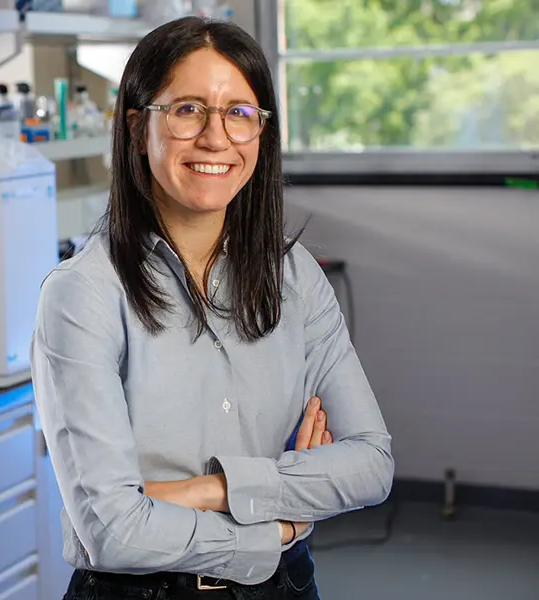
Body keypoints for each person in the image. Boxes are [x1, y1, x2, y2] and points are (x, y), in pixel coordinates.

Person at [30, 16, 394, 600]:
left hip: (288, 587)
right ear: (135, 126)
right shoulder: (84, 294)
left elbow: (371, 464)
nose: (216, 138)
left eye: (239, 113)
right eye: (187, 110)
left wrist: (212, 489)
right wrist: (277, 528)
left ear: (261, 132)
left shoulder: (294, 276)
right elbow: (112, 531)